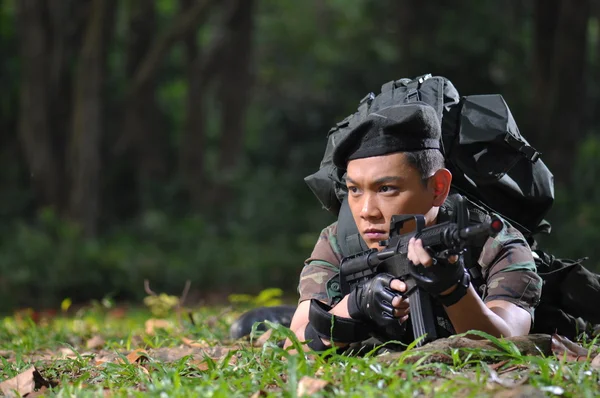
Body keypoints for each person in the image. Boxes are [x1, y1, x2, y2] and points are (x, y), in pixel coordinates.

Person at [284, 102, 542, 352]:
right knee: (255, 327)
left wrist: (454, 290)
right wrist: (353, 306)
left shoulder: (494, 243)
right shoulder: (340, 240)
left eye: (386, 189)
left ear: (438, 187)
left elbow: (508, 342)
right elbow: (294, 347)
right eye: (354, 190)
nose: (366, 212)